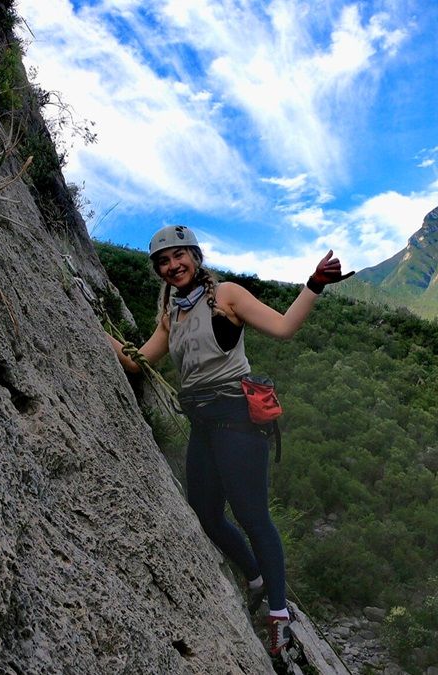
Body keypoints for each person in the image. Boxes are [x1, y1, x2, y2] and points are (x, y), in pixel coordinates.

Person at [106, 224, 352, 658]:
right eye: (163, 261)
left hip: (238, 420)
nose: (172, 266)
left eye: (179, 256)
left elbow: (282, 327)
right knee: (204, 512)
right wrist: (93, 330)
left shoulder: (227, 296)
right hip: (203, 424)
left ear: (196, 257)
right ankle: (255, 576)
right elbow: (138, 361)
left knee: (253, 515)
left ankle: (279, 618)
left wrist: (314, 285)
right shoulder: (172, 313)